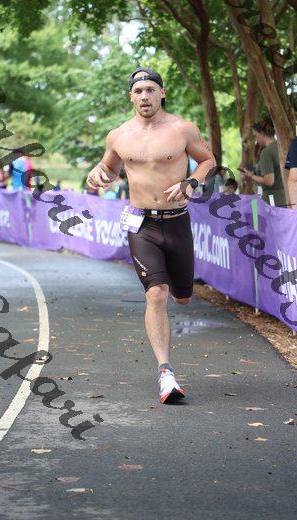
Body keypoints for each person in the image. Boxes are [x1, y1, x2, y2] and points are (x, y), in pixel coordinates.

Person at [87, 66, 215, 404]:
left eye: (150, 90)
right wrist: (97, 174)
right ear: (130, 96)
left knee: (182, 297)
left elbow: (208, 160)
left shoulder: (183, 129)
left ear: (161, 93)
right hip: (141, 225)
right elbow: (109, 169)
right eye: (138, 91)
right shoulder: (119, 135)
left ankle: (175, 289)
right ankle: (165, 372)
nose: (144, 96)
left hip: (177, 222)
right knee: (156, 294)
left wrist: (191, 182)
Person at [240, 117, 286, 206]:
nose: (255, 139)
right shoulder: (282, 147)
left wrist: (251, 176)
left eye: (255, 136)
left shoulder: (266, 152)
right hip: (286, 198)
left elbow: (269, 181)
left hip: (273, 201)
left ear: (261, 133)